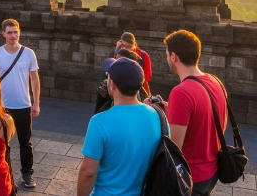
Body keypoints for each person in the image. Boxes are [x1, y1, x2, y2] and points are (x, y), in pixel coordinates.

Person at [77, 57, 162, 196]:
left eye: (108, 76)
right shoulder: (158, 116)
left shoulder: (99, 122)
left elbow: (88, 172)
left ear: (113, 85)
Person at [164, 29, 227, 196]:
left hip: (190, 178)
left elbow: (174, 148)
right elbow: (207, 120)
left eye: (167, 54)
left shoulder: (181, 92)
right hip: (211, 173)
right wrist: (172, 110)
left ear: (173, 57)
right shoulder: (216, 82)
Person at [0, 18, 41, 189]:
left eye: (15, 32)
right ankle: (0, 173)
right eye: (9, 32)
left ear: (19, 32)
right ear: (3, 34)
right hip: (2, 105)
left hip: (23, 104)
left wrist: (36, 102)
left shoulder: (28, 53)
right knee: (1, 142)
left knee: (25, 141)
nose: (13, 35)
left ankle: (27, 173)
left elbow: (34, 79)